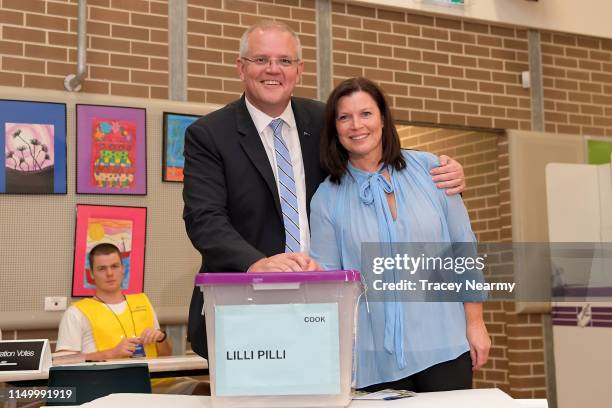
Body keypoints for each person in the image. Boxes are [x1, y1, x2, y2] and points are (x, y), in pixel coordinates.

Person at [182, 20, 467, 358]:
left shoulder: (324, 121)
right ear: (240, 67)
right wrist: (257, 264)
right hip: (244, 309)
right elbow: (204, 218)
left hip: (325, 310)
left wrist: (440, 168)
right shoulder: (209, 134)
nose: (273, 70)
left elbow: (374, 158)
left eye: (284, 61)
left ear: (299, 70)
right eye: (261, 60)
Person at [309, 77, 491, 392]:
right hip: (370, 356)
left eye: (366, 113)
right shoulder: (327, 196)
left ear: (382, 119)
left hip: (445, 345)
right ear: (335, 128)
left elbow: (463, 251)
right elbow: (328, 281)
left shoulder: (432, 169)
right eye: (344, 117)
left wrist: (476, 324)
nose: (356, 125)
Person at [56, 243, 170, 360]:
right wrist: (112, 354)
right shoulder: (75, 313)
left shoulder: (143, 302)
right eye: (102, 268)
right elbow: (62, 361)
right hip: (104, 378)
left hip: (150, 378)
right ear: (91, 273)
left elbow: (166, 357)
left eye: (114, 266)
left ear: (123, 268)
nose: (109, 273)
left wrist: (161, 339)